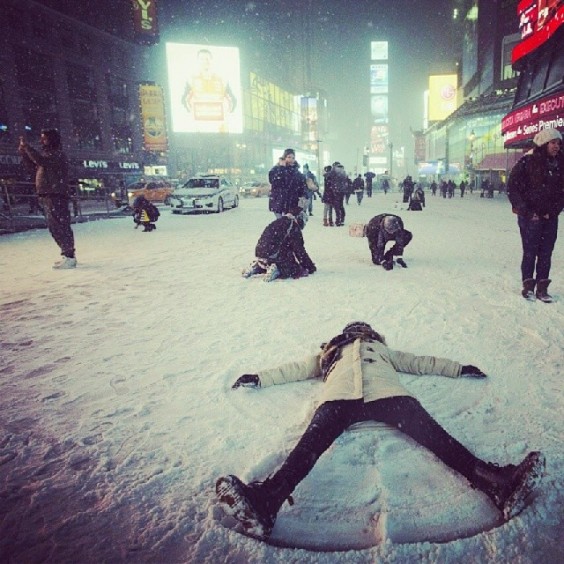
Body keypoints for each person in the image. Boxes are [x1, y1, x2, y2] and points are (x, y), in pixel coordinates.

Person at [216, 321, 545, 540]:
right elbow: (295, 369)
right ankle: (266, 502)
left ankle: (497, 483)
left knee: (439, 439)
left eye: (364, 330)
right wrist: (259, 377)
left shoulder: (383, 351)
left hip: (391, 397)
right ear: (344, 336)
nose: (360, 333)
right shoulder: (328, 355)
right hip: (339, 400)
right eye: (355, 330)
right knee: (307, 448)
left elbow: (420, 362)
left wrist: (457, 368)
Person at [507, 128, 564, 302]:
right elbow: (513, 187)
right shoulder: (527, 161)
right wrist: (526, 211)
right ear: (544, 143)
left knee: (546, 252)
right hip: (530, 217)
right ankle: (528, 286)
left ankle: (542, 287)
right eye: (553, 142)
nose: (556, 146)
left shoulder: (560, 163)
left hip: (549, 217)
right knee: (530, 251)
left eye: (558, 143)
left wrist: (553, 211)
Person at [18, 129, 77, 269]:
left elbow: (42, 161)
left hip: (56, 194)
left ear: (52, 139)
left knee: (60, 225)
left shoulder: (57, 154)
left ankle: (69, 256)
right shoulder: (48, 155)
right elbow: (34, 166)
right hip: (47, 193)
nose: (41, 141)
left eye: (44, 138)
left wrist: (27, 148)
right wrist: (24, 153)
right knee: (54, 226)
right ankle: (66, 254)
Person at [241, 208, 316, 282]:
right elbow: (299, 250)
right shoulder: (293, 227)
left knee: (283, 250)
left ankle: (259, 265)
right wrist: (309, 267)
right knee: (293, 268)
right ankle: (277, 268)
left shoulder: (279, 221)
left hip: (260, 251)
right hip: (273, 252)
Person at [181, 48, 237, 133]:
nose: (205, 61)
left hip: (219, 129)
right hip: (200, 127)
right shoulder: (191, 79)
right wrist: (194, 115)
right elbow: (184, 101)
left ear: (212, 60)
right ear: (198, 61)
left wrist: (225, 116)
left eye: (207, 59)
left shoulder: (222, 79)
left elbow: (233, 101)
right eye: (202, 59)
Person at [268, 148, 307, 219]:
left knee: (289, 225)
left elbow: (302, 186)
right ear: (284, 157)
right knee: (281, 224)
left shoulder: (296, 172)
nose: (291, 159)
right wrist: (282, 168)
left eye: (293, 157)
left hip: (292, 203)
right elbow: (274, 182)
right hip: (279, 202)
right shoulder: (276, 169)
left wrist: (303, 196)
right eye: (289, 157)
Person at [325, 162, 348, 226]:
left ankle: (338, 221)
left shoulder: (334, 169)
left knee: (337, 206)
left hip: (336, 190)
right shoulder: (343, 171)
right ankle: (342, 219)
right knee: (341, 205)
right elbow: (346, 181)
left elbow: (327, 175)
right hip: (342, 191)